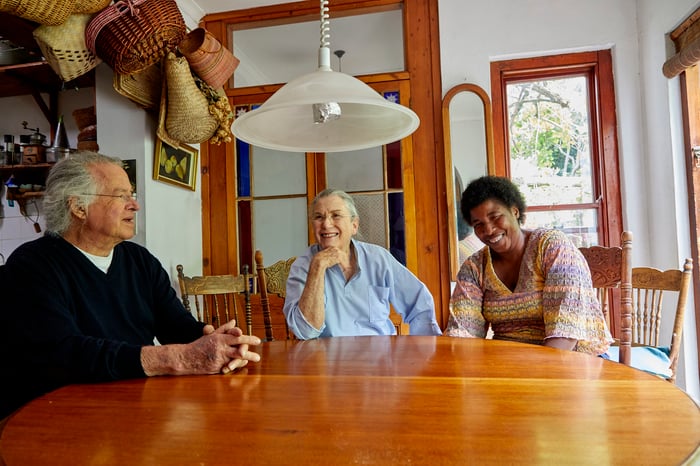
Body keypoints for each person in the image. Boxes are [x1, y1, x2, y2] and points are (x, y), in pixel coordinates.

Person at [0, 151, 261, 420]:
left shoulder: (139, 260)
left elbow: (177, 326)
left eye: (132, 195)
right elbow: (65, 355)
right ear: (78, 207)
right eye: (121, 196)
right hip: (59, 416)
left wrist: (217, 343)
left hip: (132, 405)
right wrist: (175, 359)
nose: (134, 205)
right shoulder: (32, 265)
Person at [444, 175, 612, 355]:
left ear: (514, 211)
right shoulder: (474, 267)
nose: (489, 230)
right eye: (478, 224)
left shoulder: (552, 247)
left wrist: (531, 377)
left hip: (574, 360)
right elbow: (463, 332)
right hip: (509, 364)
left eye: (495, 217)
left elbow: (565, 333)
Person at [283, 188, 442, 339]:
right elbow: (305, 331)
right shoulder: (303, 266)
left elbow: (419, 304)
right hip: (328, 362)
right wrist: (317, 268)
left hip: (380, 360)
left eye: (336, 215)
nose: (326, 224)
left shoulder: (378, 258)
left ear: (354, 225)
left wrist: (425, 351)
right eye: (319, 217)